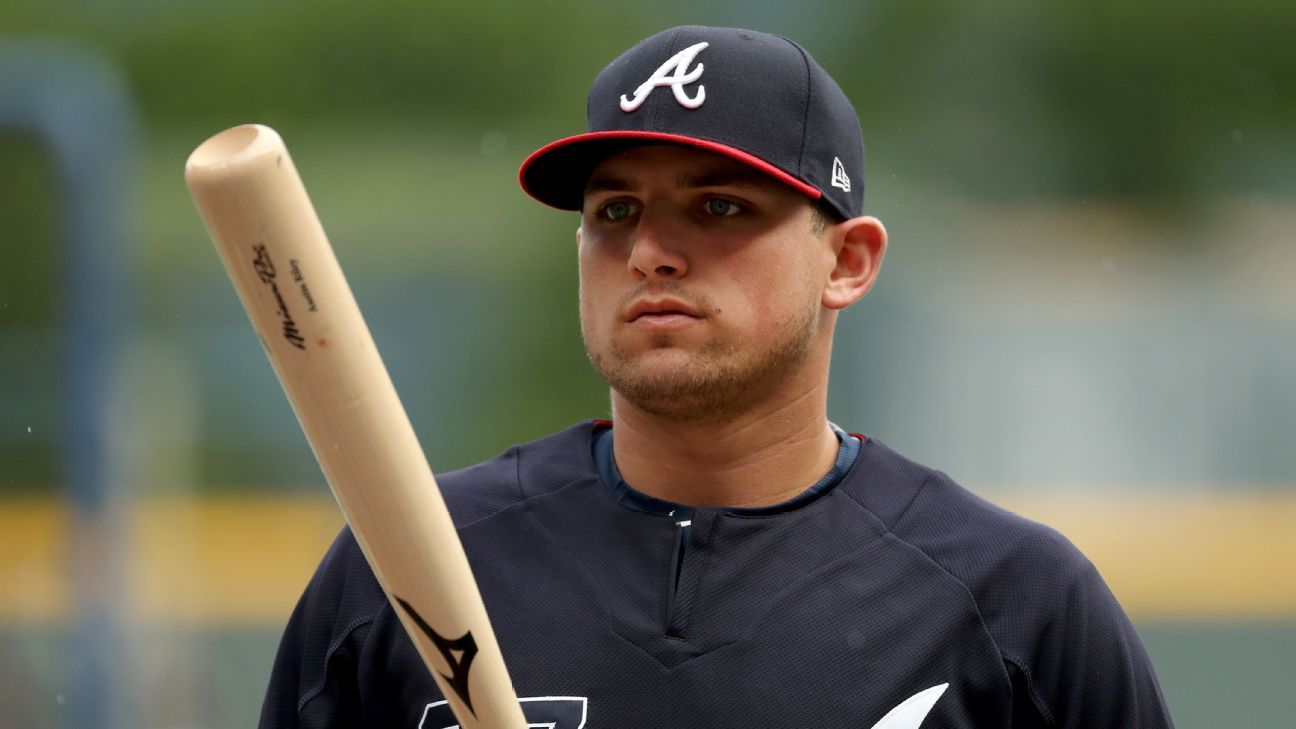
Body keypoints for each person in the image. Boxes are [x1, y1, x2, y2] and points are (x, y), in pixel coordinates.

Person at [259, 25, 1175, 728]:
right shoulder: (407, 563)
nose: (651, 251)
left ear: (847, 261)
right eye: (616, 209)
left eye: (720, 206)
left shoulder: (1014, 602)